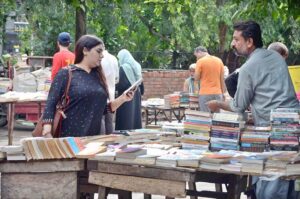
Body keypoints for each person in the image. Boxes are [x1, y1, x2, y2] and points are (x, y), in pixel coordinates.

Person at [206, 20, 299, 199]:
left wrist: (217, 104)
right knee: (288, 178)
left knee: (273, 182)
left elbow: (238, 106)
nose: (232, 43)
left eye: (236, 39)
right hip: (294, 124)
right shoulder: (276, 57)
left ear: (249, 42)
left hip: (274, 131)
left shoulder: (248, 68)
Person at [42, 35, 134, 137]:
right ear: (85, 51)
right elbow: (50, 104)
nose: (102, 56)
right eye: (98, 51)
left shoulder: (98, 76)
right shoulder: (66, 73)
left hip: (93, 140)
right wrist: (47, 132)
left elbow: (103, 109)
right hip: (69, 139)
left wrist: (123, 98)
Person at [115, 49, 142, 130]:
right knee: (135, 116)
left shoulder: (124, 67)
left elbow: (121, 83)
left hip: (126, 96)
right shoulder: (137, 65)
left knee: (126, 117)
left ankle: (124, 133)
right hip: (136, 92)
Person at [194, 46, 226, 112]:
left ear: (199, 52)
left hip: (205, 93)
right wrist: (223, 93)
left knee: (205, 117)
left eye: (196, 55)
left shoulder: (200, 61)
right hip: (218, 93)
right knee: (216, 117)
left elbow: (196, 79)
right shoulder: (219, 60)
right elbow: (222, 80)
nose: (196, 58)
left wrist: (196, 93)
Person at [100, 48, 119, 134]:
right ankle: (111, 140)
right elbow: (117, 78)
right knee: (109, 120)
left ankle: (103, 140)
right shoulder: (113, 58)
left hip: (101, 92)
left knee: (101, 119)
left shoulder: (99, 59)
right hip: (111, 93)